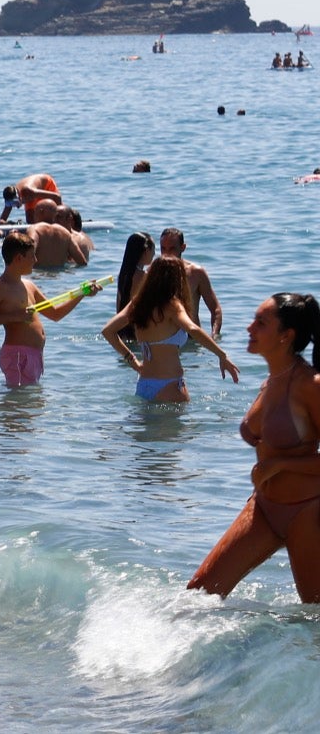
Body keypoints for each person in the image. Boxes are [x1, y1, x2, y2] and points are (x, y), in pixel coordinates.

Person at [188, 294, 320, 602]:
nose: (249, 328)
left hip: (307, 512)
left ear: (286, 336)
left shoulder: (310, 385)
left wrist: (279, 465)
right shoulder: (270, 381)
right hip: (263, 508)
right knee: (199, 596)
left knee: (314, 614)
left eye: (261, 322)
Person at [101, 257, 238, 402]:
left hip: (143, 385)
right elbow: (192, 329)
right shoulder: (172, 305)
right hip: (169, 386)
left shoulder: (138, 303)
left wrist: (132, 360)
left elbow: (108, 331)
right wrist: (222, 355)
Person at [0, 231, 96, 388]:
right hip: (18, 356)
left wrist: (81, 294)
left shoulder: (29, 285)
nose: (36, 260)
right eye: (32, 256)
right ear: (19, 258)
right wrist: (15, 316)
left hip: (34, 355)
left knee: (30, 401)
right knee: (19, 401)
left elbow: (55, 314)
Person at [160, 227, 222, 339]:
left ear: (183, 247)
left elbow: (215, 310)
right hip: (164, 339)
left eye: (172, 248)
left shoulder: (196, 273)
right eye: (163, 248)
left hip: (191, 339)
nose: (167, 253)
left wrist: (215, 335)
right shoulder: (153, 273)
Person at [114, 232, 155, 340]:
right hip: (138, 332)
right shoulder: (143, 276)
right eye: (153, 250)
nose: (154, 254)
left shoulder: (123, 274)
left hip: (122, 330)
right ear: (146, 251)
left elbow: (119, 307)